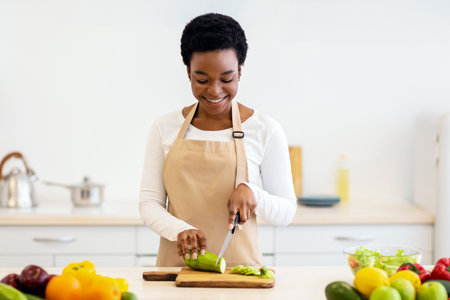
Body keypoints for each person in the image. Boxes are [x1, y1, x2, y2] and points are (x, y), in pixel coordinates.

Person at [139, 13, 297, 267]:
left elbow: (287, 212)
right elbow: (149, 204)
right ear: (188, 72)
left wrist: (253, 192)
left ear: (240, 71)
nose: (214, 91)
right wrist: (178, 230)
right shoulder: (164, 127)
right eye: (202, 79)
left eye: (227, 79)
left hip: (241, 278)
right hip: (175, 276)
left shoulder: (265, 129)